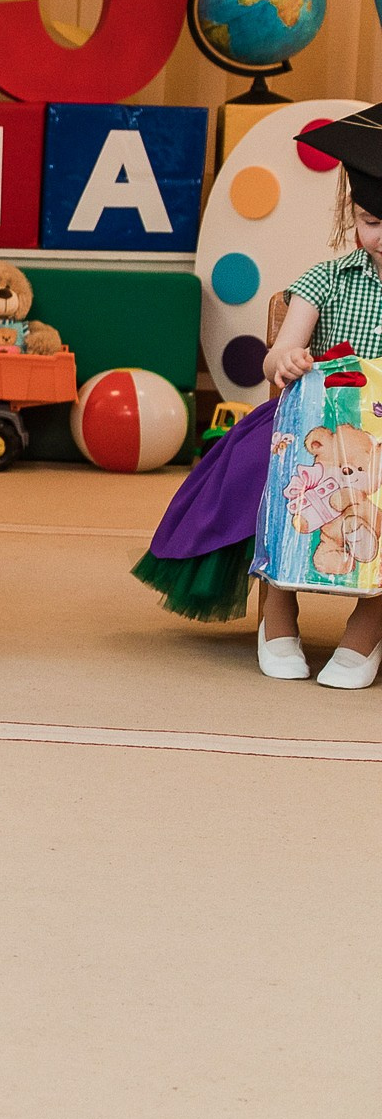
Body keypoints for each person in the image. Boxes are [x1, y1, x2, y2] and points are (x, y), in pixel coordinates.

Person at [139, 107, 382, 686]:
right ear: (351, 217)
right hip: (315, 421)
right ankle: (278, 609)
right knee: (264, 466)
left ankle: (369, 624)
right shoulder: (327, 279)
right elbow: (278, 356)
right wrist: (287, 360)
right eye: (372, 221)